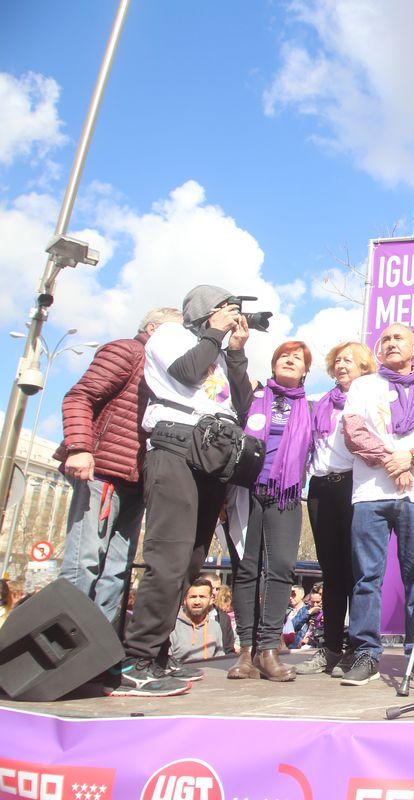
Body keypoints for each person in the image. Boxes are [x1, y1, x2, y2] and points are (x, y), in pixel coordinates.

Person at [110, 285, 254, 697]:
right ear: (206, 312)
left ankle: (156, 655)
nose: (232, 317)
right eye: (226, 310)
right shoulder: (171, 336)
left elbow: (241, 403)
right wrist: (212, 334)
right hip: (174, 447)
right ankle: (135, 658)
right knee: (168, 556)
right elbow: (187, 374)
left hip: (212, 452)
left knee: (191, 561)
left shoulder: (219, 351)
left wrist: (237, 351)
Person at [340, 323, 414, 686]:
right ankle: (365, 653)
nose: (390, 343)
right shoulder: (363, 386)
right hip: (371, 494)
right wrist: (396, 461)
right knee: (366, 577)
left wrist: (411, 459)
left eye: (398, 338)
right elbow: (354, 434)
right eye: (384, 339)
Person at [57, 307, 183, 624]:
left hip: (139, 480)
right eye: (175, 332)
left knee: (116, 569)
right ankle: (63, 647)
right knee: (84, 561)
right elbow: (79, 397)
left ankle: (95, 653)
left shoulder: (166, 369)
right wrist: (80, 447)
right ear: (153, 328)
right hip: (103, 473)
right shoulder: (127, 351)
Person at [226, 341, 314, 682]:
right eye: (283, 356)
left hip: (286, 494)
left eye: (297, 358)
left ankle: (268, 651)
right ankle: (245, 653)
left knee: (280, 568)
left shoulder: (313, 407)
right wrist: (237, 350)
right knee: (247, 570)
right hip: (246, 491)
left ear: (305, 370)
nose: (289, 360)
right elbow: (235, 376)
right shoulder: (254, 397)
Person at [297, 342, 377, 677]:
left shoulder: (370, 399)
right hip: (320, 486)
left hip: (352, 485)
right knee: (330, 572)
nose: (342, 365)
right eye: (338, 360)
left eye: (350, 360)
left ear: (363, 367)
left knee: (355, 570)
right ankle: (329, 648)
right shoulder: (322, 403)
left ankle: (356, 650)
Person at [169, 577, 233, 663]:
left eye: (202, 597)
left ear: (211, 600)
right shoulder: (172, 626)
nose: (197, 602)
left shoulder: (215, 626)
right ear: (185, 600)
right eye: (193, 597)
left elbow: (219, 658)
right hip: (179, 674)